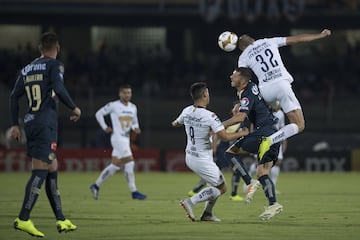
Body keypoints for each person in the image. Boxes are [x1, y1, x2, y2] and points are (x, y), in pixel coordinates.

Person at [9, 32, 80, 237]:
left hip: (31, 122)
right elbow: (58, 86)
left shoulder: (27, 68)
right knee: (40, 170)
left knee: (51, 168)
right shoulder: (54, 65)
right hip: (45, 123)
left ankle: (61, 218)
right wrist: (74, 108)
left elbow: (14, 97)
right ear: (57, 48)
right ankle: (23, 218)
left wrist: (15, 124)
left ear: (40, 48)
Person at [236, 29, 331, 160]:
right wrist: (320, 35)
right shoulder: (269, 41)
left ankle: (258, 157)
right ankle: (269, 140)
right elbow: (298, 39)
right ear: (252, 40)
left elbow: (241, 81)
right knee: (299, 125)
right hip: (281, 85)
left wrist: (242, 101)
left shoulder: (243, 57)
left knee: (267, 118)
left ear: (241, 48)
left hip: (265, 90)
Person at [172, 82, 249, 222]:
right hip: (202, 159)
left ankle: (207, 214)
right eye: (208, 92)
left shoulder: (187, 110)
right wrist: (243, 133)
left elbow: (175, 123)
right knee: (222, 187)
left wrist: (186, 123)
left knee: (213, 185)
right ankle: (191, 202)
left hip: (190, 156)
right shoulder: (210, 116)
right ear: (204, 94)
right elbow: (224, 136)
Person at [222, 67, 282, 221]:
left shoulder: (247, 92)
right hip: (274, 133)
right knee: (263, 172)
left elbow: (241, 117)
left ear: (243, 79)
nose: (230, 76)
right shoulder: (251, 87)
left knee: (230, 152)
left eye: (234, 75)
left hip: (264, 133)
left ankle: (249, 183)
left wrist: (219, 125)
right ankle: (273, 204)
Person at [89, 84, 147, 200]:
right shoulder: (113, 105)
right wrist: (104, 127)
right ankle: (134, 191)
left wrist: (136, 127)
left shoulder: (133, 107)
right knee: (130, 162)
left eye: (129, 93)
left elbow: (134, 121)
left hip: (126, 138)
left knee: (115, 165)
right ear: (120, 94)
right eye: (124, 93)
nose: (127, 95)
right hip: (117, 137)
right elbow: (99, 114)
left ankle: (95, 186)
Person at [187, 112, 252, 202]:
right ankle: (233, 194)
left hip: (232, 150)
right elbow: (217, 134)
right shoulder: (228, 121)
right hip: (223, 149)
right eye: (237, 109)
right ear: (233, 110)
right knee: (220, 172)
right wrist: (214, 147)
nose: (238, 111)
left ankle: (195, 190)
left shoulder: (242, 124)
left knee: (226, 170)